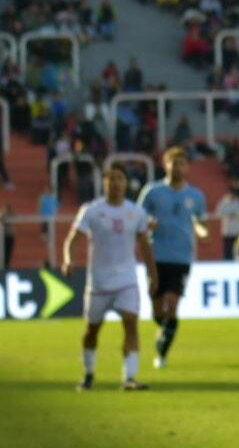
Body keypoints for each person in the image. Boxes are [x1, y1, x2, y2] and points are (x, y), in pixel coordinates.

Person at [61, 165, 158, 391]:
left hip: (127, 281)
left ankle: (129, 378)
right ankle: (88, 374)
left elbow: (145, 246)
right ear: (104, 183)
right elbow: (72, 238)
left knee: (131, 326)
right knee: (92, 331)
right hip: (98, 283)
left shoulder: (136, 212)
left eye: (120, 179)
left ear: (125, 183)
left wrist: (153, 275)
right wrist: (68, 259)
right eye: (111, 179)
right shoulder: (92, 210)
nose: (116, 183)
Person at [139, 146, 207, 369]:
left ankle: (161, 354)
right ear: (165, 165)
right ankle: (162, 329)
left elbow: (200, 221)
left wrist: (202, 231)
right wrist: (147, 223)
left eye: (181, 163)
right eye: (173, 163)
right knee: (158, 310)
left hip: (182, 257)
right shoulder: (152, 192)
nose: (177, 167)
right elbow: (138, 217)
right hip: (156, 256)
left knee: (173, 304)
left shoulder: (196, 195)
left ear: (187, 167)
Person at [216, 184, 239, 260]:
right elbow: (218, 213)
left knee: (237, 251)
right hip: (227, 231)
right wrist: (228, 214)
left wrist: (235, 216)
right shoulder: (223, 203)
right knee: (227, 251)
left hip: (237, 231)